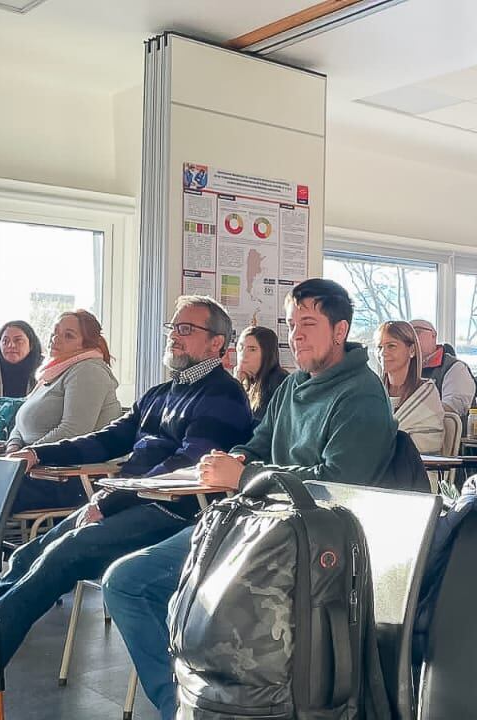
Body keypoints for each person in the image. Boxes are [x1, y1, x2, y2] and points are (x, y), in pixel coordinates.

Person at [101, 279, 397, 719]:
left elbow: (338, 485)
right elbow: (258, 445)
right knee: (124, 581)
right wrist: (237, 458)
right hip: (257, 524)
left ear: (340, 330)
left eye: (309, 324)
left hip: (312, 546)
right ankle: (180, 706)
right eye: (293, 323)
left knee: (147, 587)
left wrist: (245, 475)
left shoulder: (363, 396)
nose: (295, 334)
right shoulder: (294, 386)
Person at [0, 296, 253, 676]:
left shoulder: (224, 396)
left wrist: (112, 499)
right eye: (172, 328)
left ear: (216, 343)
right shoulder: (162, 392)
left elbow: (186, 466)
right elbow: (107, 440)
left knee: (64, 553)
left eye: (186, 329)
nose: (174, 337)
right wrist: (38, 453)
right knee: (28, 554)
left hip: (175, 511)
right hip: (128, 501)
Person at [5, 310, 123, 512]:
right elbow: (20, 421)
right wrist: (13, 448)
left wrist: (31, 454)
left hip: (68, 478)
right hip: (33, 470)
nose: (55, 339)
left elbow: (74, 430)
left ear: (86, 344)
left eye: (68, 335)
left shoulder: (88, 370)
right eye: (55, 332)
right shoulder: (53, 372)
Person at [377, 320, 444, 454]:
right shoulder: (372, 391)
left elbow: (430, 443)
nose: (383, 353)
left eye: (391, 346)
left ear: (412, 350)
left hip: (418, 470)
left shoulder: (426, 393)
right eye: (379, 347)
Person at [411, 319, 477, 418]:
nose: (411, 338)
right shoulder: (404, 368)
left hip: (444, 432)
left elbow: (453, 409)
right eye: (406, 334)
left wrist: (411, 411)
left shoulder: (455, 368)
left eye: (416, 331)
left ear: (434, 335)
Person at [234, 325, 288, 417]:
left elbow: (254, 425)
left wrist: (236, 387)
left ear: (267, 353)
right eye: (241, 348)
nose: (243, 355)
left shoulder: (279, 382)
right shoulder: (248, 380)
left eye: (252, 349)